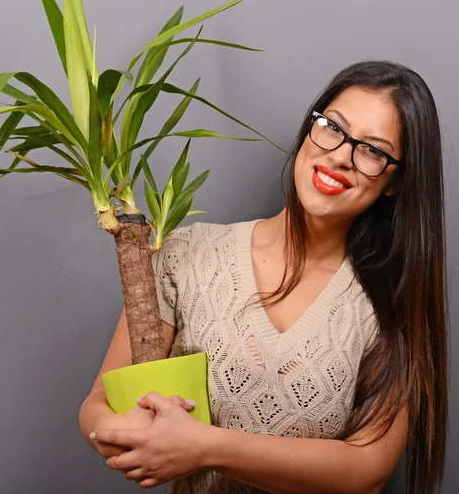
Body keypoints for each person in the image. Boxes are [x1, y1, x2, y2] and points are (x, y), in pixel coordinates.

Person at [79, 60, 448, 494]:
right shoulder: (186, 254)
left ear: (394, 182)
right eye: (333, 126)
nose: (339, 156)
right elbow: (98, 405)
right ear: (309, 127)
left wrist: (206, 448)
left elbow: (367, 470)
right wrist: (127, 432)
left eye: (372, 150)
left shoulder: (389, 301)